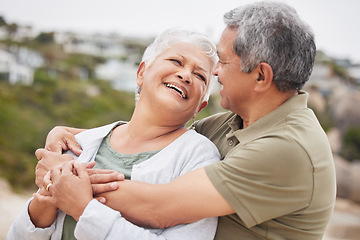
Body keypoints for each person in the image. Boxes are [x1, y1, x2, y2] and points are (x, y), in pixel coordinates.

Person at [25, 1, 337, 239]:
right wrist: (68, 134)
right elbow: (150, 135)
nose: (215, 72)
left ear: (260, 76)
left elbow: (157, 209)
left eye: (223, 61)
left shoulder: (288, 148)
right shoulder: (234, 123)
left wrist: (64, 176)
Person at [7, 28, 221, 240]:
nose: (185, 75)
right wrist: (47, 199)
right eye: (176, 61)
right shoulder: (78, 144)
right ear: (141, 73)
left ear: (200, 107)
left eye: (199, 75)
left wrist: (83, 207)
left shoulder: (200, 157)